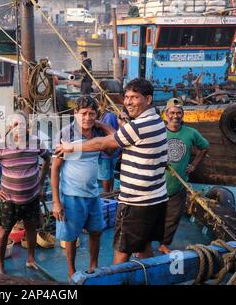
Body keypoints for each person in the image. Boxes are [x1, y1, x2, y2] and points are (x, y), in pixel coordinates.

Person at [55, 78, 169, 264]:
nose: (127, 102)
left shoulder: (138, 126)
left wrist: (71, 147)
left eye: (134, 97)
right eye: (126, 97)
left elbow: (105, 144)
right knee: (144, 246)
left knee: (121, 250)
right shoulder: (157, 120)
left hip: (137, 202)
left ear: (148, 99)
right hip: (157, 199)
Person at [0, 111, 51, 274]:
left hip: (31, 197)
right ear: (10, 127)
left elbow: (47, 158)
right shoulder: (0, 144)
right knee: (4, 231)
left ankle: (31, 259)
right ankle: (1, 266)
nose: (19, 128)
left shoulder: (35, 143)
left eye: (22, 125)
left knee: (31, 228)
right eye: (15, 125)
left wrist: (40, 184)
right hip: (9, 200)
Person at [51, 95, 110, 280]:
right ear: (75, 114)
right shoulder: (66, 133)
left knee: (96, 231)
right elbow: (55, 168)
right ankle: (71, 270)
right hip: (71, 195)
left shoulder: (99, 133)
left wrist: (102, 125)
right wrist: (56, 202)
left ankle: (94, 265)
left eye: (92, 114)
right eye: (83, 113)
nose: (87, 118)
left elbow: (115, 144)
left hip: (93, 194)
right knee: (70, 236)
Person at [159, 98, 210, 254]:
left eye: (179, 113)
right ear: (166, 114)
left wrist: (194, 165)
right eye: (172, 112)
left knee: (173, 217)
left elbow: (205, 147)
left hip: (178, 185)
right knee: (151, 216)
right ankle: (143, 244)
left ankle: (164, 244)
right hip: (156, 184)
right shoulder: (158, 131)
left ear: (183, 115)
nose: (175, 116)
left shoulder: (191, 133)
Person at [97, 106, 120, 193]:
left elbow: (109, 134)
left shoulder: (108, 116)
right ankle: (110, 193)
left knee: (105, 175)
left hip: (106, 152)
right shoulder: (112, 114)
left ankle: (106, 194)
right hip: (114, 151)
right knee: (110, 173)